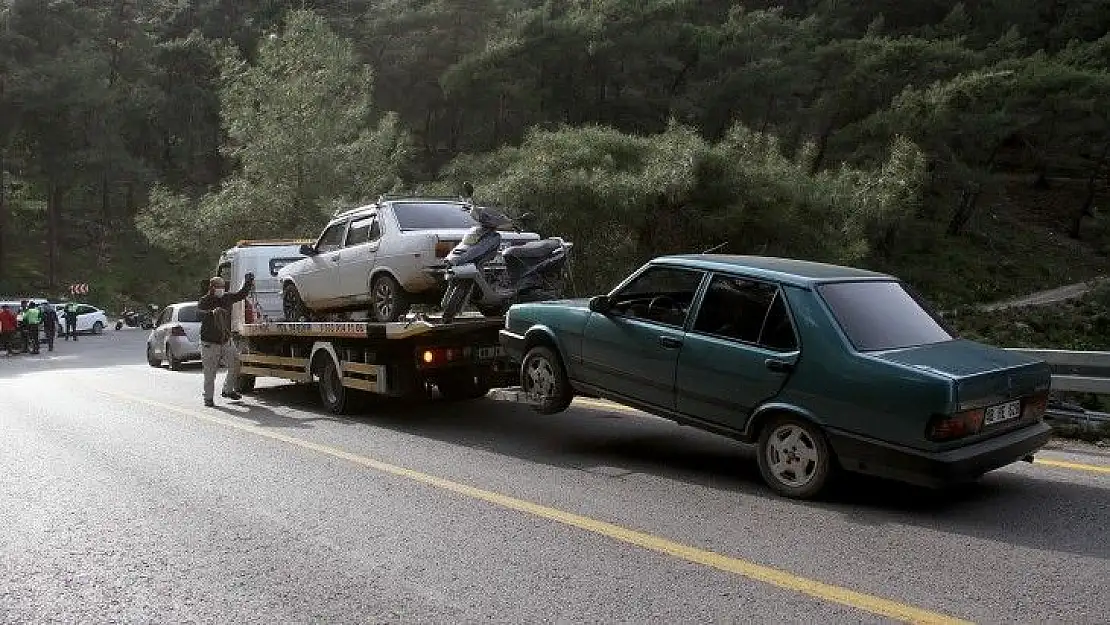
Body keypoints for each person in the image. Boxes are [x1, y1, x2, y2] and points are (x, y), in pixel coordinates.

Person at [197, 273, 254, 407]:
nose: (221, 289)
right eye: (218, 287)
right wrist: (211, 312)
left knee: (235, 365)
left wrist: (248, 282)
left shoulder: (227, 297)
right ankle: (208, 398)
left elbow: (241, 294)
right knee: (210, 373)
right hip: (209, 344)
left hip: (226, 340)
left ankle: (228, 390)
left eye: (222, 287)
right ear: (211, 287)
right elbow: (198, 313)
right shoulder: (204, 300)